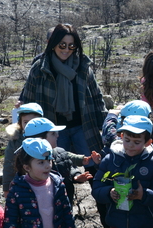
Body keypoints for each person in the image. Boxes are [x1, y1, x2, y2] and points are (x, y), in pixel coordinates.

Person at [23, 117, 100, 228]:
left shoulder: (58, 152)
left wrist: (77, 173)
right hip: (37, 217)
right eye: (53, 134)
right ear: (40, 139)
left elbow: (69, 163)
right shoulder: (27, 163)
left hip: (61, 211)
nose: (58, 135)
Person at [19, 23, 107, 156]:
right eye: (62, 44)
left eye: (71, 45)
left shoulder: (83, 66)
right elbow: (28, 101)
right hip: (52, 129)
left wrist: (105, 125)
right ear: (53, 44)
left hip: (83, 127)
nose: (66, 49)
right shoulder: (40, 68)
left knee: (92, 163)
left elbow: (96, 97)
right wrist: (26, 130)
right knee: (58, 166)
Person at [3, 103, 45, 197]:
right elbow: (9, 164)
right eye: (26, 122)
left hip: (45, 183)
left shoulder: (46, 138)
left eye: (33, 121)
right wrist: (6, 187)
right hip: (23, 184)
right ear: (20, 123)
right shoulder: (15, 141)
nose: (29, 125)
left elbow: (60, 156)